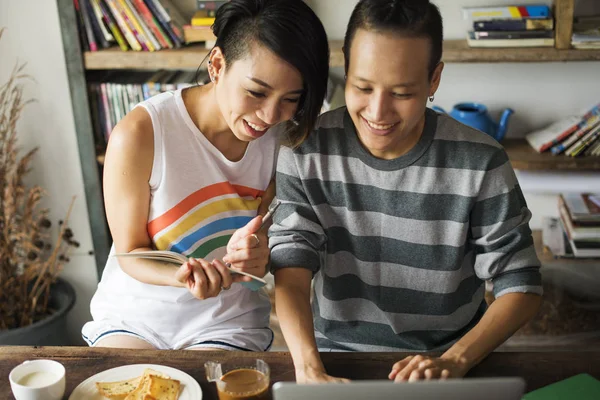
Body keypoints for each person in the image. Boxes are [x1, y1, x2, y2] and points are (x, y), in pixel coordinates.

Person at [269, 0, 543, 383]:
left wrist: (456, 360)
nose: (378, 113)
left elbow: (521, 283)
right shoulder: (305, 148)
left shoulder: (481, 161)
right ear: (345, 67)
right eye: (362, 87)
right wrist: (308, 367)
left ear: (434, 80)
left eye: (402, 93)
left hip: (450, 357)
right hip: (335, 356)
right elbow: (290, 263)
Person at [82, 0, 329, 351]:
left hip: (227, 322)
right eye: (256, 92)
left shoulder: (284, 139)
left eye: (291, 98)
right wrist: (184, 276)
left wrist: (257, 256)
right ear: (216, 65)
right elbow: (131, 252)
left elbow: (267, 238)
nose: (271, 114)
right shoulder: (142, 133)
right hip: (134, 317)